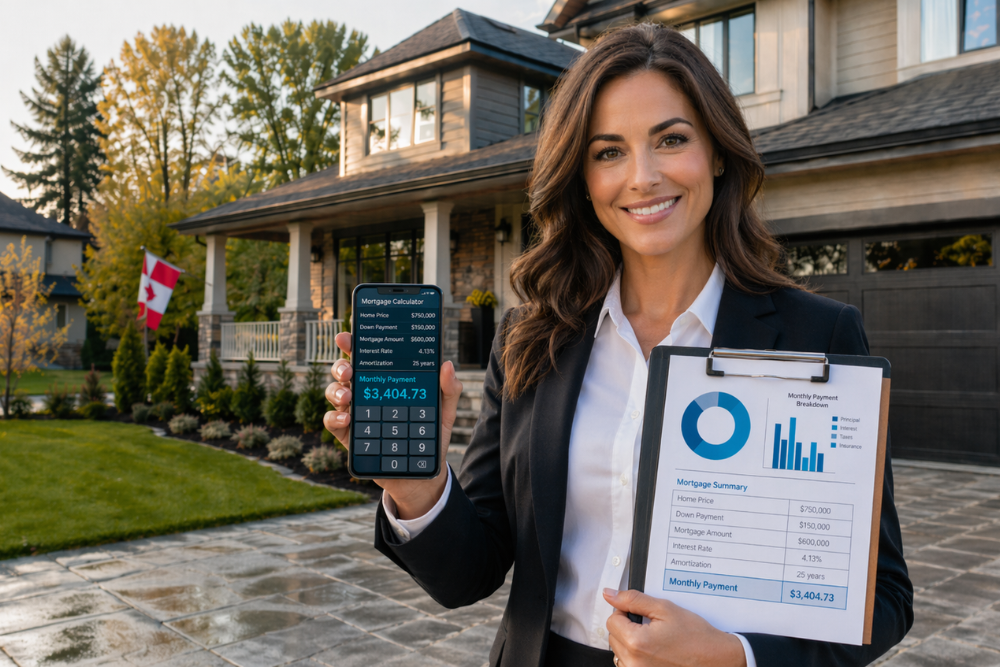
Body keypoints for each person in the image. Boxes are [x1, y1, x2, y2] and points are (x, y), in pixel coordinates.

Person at [324, 22, 912, 667]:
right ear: (581, 177)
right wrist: (420, 486)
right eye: (609, 152)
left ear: (717, 151)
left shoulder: (818, 337)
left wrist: (736, 655)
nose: (643, 177)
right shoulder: (531, 340)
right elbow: (470, 576)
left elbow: (880, 597)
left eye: (672, 140)